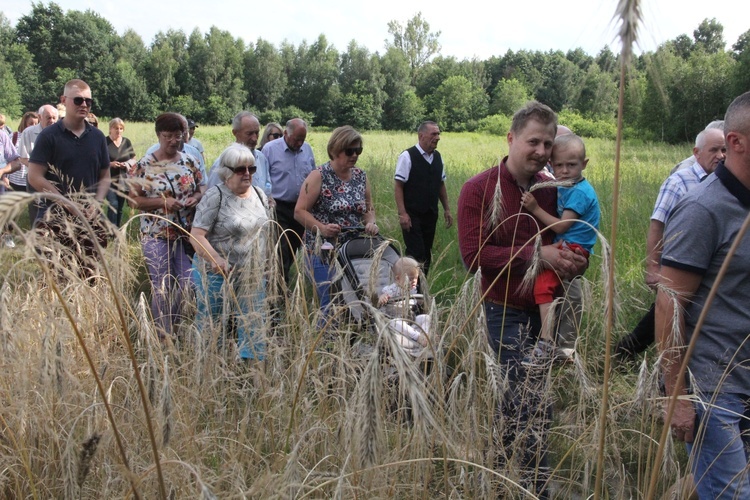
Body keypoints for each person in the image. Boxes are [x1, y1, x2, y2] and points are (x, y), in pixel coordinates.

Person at [457, 101, 587, 497]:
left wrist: (573, 260)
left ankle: (494, 473)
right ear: (511, 138)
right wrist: (538, 253)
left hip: (545, 313)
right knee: (533, 401)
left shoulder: (554, 190)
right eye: (533, 141)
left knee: (517, 402)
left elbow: (571, 236)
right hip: (503, 311)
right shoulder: (478, 189)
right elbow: (473, 257)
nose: (542, 151)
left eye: (548, 143)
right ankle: (537, 489)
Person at [655, 91, 750, 499]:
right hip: (713, 386)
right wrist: (676, 397)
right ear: (736, 142)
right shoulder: (703, 209)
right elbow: (669, 305)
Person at [615, 127, 727, 359]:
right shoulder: (679, 182)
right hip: (678, 261)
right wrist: (652, 267)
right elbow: (657, 224)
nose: (720, 155)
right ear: (697, 153)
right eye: (714, 150)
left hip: (708, 263)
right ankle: (629, 353)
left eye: (724, 150)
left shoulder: (723, 182)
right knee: (668, 310)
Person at [520, 134, 600, 365]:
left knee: (546, 287)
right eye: (559, 165)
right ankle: (560, 345)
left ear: (584, 164)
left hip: (573, 249)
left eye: (571, 165)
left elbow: (563, 225)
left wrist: (534, 208)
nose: (564, 171)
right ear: (551, 165)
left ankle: (550, 343)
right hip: (566, 245)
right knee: (555, 292)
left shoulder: (579, 192)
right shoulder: (565, 185)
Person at [191, 144, 270, 361]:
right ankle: (207, 371)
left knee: (254, 324)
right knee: (211, 326)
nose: (247, 174)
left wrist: (266, 264)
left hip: (251, 274)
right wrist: (216, 259)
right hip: (216, 273)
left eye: (251, 169)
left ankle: (252, 374)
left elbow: (265, 233)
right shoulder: (214, 196)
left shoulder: (260, 195)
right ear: (226, 171)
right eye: (240, 169)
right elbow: (196, 235)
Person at [129, 112, 203, 339]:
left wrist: (196, 198)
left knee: (188, 284)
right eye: (168, 136)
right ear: (158, 135)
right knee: (162, 287)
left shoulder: (190, 160)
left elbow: (203, 187)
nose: (173, 140)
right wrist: (161, 202)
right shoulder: (145, 165)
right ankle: (163, 335)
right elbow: (133, 200)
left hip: (184, 234)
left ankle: (176, 326)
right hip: (156, 235)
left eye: (178, 135)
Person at [27, 80, 110, 278]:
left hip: (88, 220)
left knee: (90, 277)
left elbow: (105, 176)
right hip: (54, 219)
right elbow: (34, 176)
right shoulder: (49, 136)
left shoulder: (97, 137)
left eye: (88, 101)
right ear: (64, 100)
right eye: (78, 100)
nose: (84, 105)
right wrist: (65, 201)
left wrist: (96, 203)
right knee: (58, 278)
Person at [294, 125, 378, 320]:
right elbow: (299, 211)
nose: (355, 155)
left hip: (352, 250)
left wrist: (371, 223)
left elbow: (368, 209)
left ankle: (349, 343)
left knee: (354, 302)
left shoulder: (360, 176)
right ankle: (323, 344)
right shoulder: (319, 175)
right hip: (322, 251)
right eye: (350, 151)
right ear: (336, 149)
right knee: (331, 303)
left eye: (358, 150)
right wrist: (322, 228)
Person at [394, 121, 453, 276]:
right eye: (434, 134)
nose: (438, 137)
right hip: (412, 215)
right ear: (421, 135)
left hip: (430, 214)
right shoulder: (407, 156)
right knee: (415, 253)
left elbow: (441, 184)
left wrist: (447, 209)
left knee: (426, 254)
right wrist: (402, 213)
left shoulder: (438, 157)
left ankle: (422, 289)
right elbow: (398, 185)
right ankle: (409, 291)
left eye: (439, 133)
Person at [264, 118, 316, 286]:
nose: (300, 143)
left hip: (301, 208)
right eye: (296, 139)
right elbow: (264, 178)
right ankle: (280, 293)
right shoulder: (270, 149)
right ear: (286, 133)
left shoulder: (307, 150)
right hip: (278, 207)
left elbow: (313, 177)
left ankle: (281, 281)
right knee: (281, 250)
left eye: (303, 139)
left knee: (293, 248)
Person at [206, 111, 271, 198]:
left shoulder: (262, 158)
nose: (255, 138)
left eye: (257, 133)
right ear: (235, 133)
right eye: (249, 133)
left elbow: (267, 186)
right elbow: (212, 196)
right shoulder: (224, 163)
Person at [378, 257, 431, 357]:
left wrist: (421, 300)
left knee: (426, 317)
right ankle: (418, 337)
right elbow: (382, 296)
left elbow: (416, 301)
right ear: (398, 278)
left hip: (410, 321)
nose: (414, 281)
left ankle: (426, 335)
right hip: (395, 323)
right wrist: (383, 297)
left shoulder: (412, 290)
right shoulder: (392, 290)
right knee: (394, 322)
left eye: (416, 278)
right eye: (411, 279)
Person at [14, 105, 58, 218]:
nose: (51, 121)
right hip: (35, 178)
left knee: (56, 209)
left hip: (57, 179)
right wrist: (40, 168)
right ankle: (36, 234)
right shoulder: (28, 133)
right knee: (36, 210)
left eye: (54, 118)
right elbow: (23, 158)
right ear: (40, 117)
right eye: (48, 117)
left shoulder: (62, 134)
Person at [105, 118, 136, 226]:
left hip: (123, 179)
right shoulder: (105, 142)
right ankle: (111, 231)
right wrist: (110, 164)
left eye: (121, 128)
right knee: (113, 204)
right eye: (116, 128)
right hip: (108, 179)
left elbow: (133, 158)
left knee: (120, 207)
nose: (118, 131)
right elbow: (98, 160)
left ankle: (117, 230)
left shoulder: (126, 142)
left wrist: (126, 164)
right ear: (110, 129)